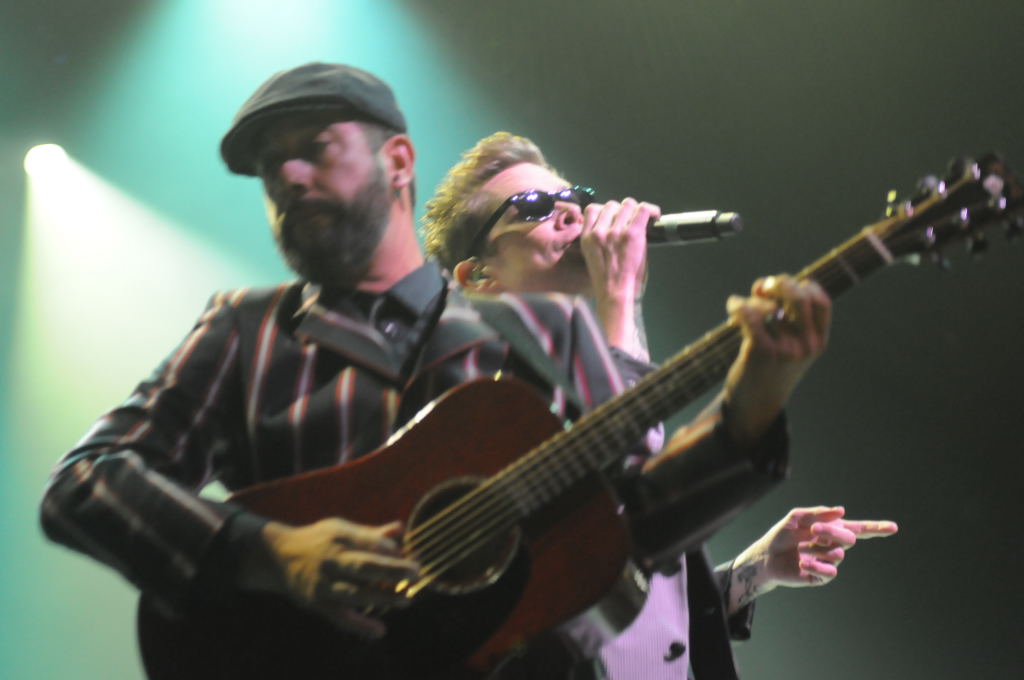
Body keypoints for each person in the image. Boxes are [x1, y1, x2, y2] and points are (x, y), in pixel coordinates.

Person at [39, 62, 837, 679]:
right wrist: (270, 552)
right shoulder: (246, 333)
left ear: (397, 160)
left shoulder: (544, 338)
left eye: (313, 149)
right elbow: (86, 482)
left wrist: (753, 406)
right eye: (271, 168)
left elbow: (631, 527)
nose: (287, 177)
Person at [422, 131, 898, 678]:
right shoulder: (474, 399)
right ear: (478, 276)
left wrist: (753, 571)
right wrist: (620, 296)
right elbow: (622, 464)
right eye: (533, 206)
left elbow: (628, 593)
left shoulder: (599, 355)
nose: (572, 213)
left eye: (575, 198)